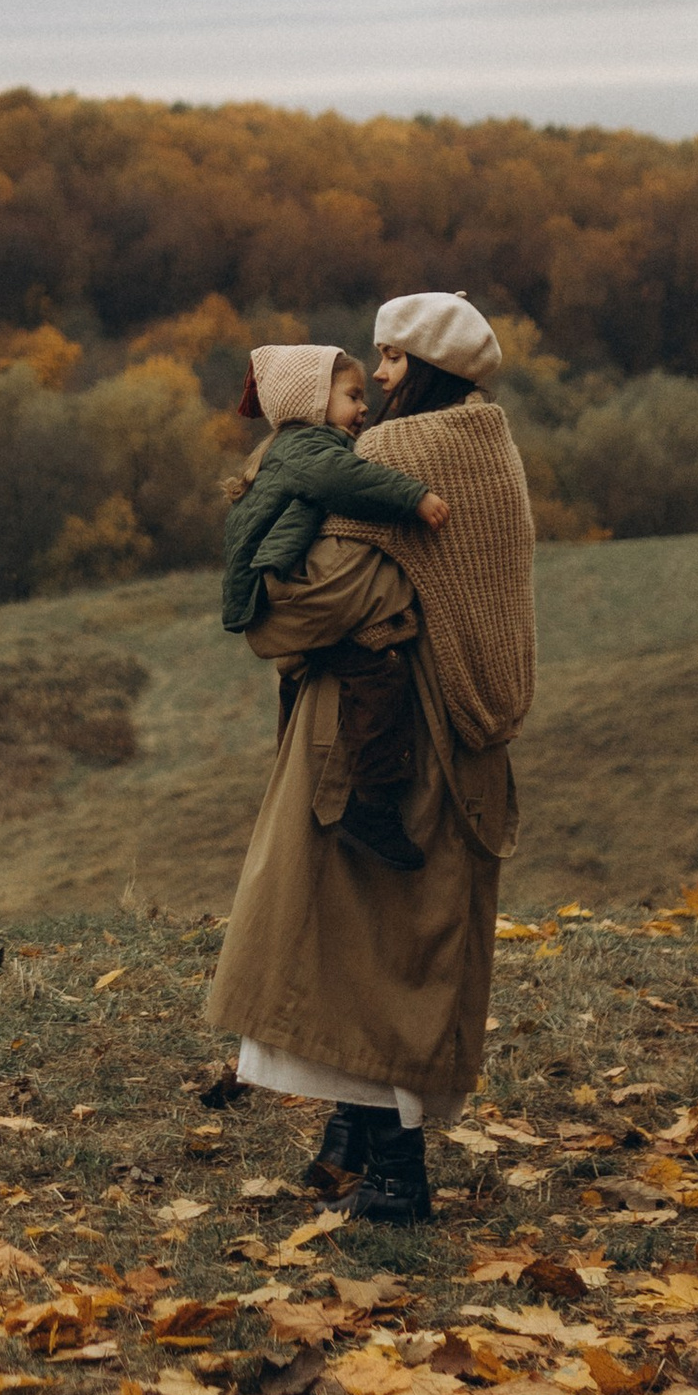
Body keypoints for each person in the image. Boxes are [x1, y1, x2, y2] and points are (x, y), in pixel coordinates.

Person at [205, 291, 537, 1225]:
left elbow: (311, 605)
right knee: (374, 935)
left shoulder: (398, 456)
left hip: (390, 742)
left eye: (391, 362)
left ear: (427, 368)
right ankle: (353, 1136)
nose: (378, 379)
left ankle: (396, 1171)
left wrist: (269, 597)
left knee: (375, 939)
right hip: (453, 732)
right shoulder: (492, 452)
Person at [222, 342, 453, 872]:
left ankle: (297, 773)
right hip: (281, 589)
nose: (364, 406)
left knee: (312, 674)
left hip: (269, 587)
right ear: (310, 403)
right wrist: (412, 497)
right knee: (377, 669)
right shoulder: (310, 450)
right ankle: (372, 804)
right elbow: (345, 481)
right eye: (351, 396)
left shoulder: (289, 449)